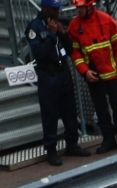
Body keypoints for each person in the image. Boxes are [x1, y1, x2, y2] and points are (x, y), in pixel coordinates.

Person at [27, 0, 90, 166]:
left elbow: (69, 50)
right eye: (55, 9)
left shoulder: (59, 24)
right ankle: (51, 151)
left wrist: (63, 33)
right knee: (50, 114)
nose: (58, 12)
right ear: (46, 9)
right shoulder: (35, 27)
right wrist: (52, 35)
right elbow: (39, 53)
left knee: (70, 109)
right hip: (48, 74)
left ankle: (72, 144)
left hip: (63, 72)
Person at [68, 0, 117, 153]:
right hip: (93, 75)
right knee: (101, 109)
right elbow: (75, 53)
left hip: (112, 74)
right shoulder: (74, 26)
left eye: (81, 7)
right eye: (77, 8)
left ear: (90, 6)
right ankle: (108, 139)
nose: (78, 11)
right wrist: (85, 71)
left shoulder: (107, 20)